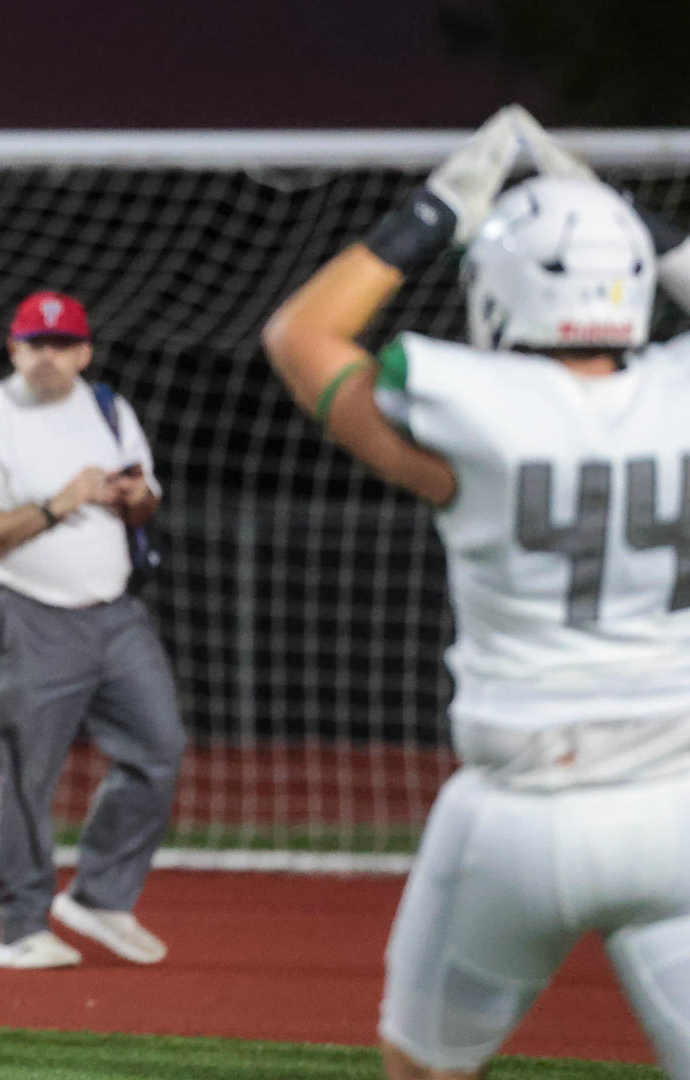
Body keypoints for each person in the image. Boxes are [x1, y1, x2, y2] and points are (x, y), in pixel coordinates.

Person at [262, 105, 690, 1079]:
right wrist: (628, 220)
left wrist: (434, 211)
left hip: (525, 810)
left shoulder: (477, 414)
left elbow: (301, 336)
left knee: (427, 1070)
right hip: (681, 803)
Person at [0, 291, 182, 970]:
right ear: (13, 350)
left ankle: (100, 896)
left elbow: (148, 500)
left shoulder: (108, 408)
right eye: (35, 344)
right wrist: (56, 505)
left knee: (159, 750)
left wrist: (136, 498)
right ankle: (19, 927)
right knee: (27, 774)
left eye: (62, 344)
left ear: (85, 352)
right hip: (29, 613)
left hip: (115, 613)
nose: (48, 357)